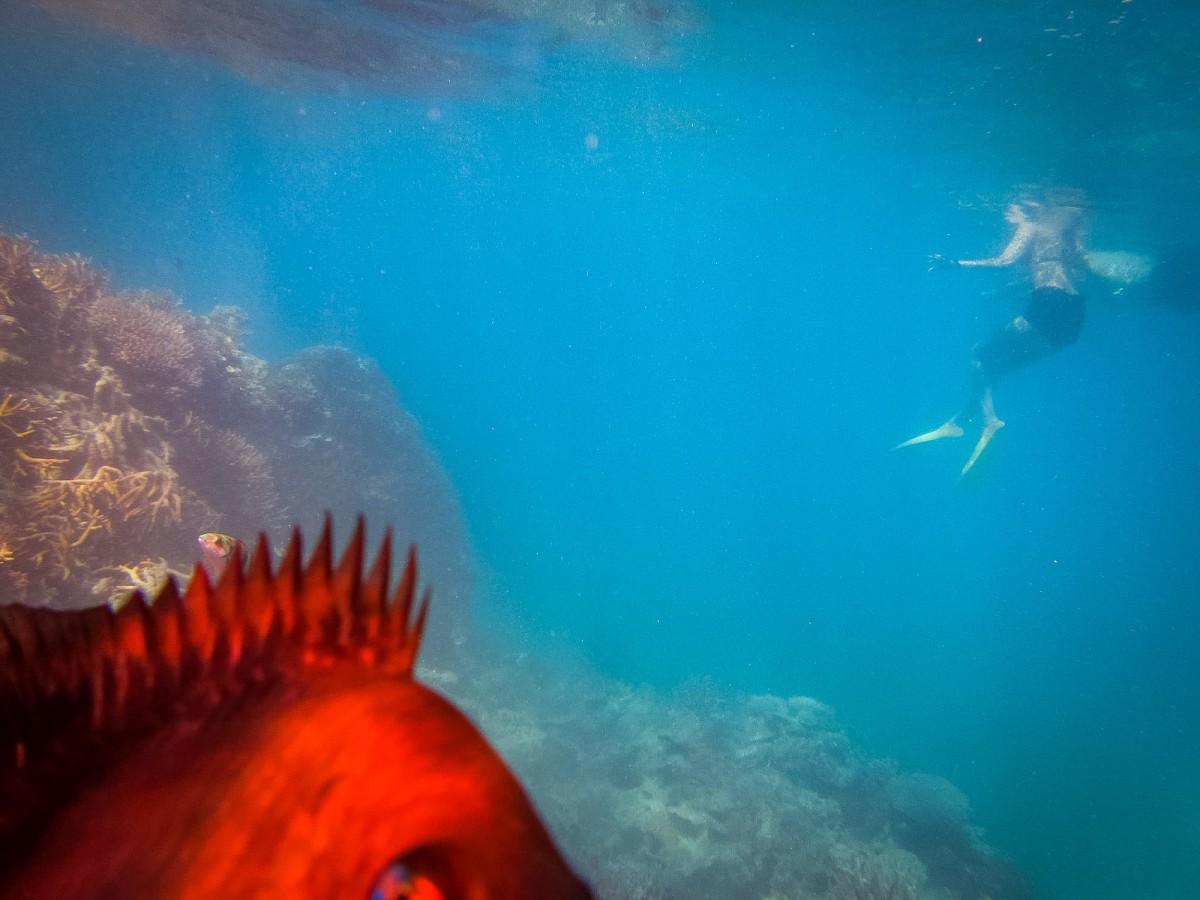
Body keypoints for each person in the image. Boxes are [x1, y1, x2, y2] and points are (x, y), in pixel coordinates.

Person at [898, 189, 1093, 477]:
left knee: (980, 354)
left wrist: (955, 263)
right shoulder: (1058, 241)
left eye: (1009, 211)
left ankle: (989, 420)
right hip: (1072, 322)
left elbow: (1004, 261)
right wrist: (1000, 293)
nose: (1006, 217)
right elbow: (1056, 278)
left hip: (1048, 308)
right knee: (995, 365)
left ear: (1025, 210)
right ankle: (958, 421)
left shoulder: (1030, 226)